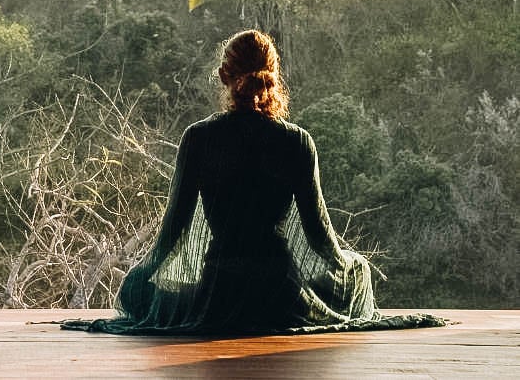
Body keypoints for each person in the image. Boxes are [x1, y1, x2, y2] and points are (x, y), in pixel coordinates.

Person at [63, 30, 445, 335]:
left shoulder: (199, 139)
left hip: (220, 288)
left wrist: (144, 275)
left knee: (137, 290)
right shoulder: (296, 141)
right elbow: (318, 235)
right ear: (274, 77)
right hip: (281, 291)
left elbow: (174, 230)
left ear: (224, 77)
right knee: (353, 272)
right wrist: (350, 265)